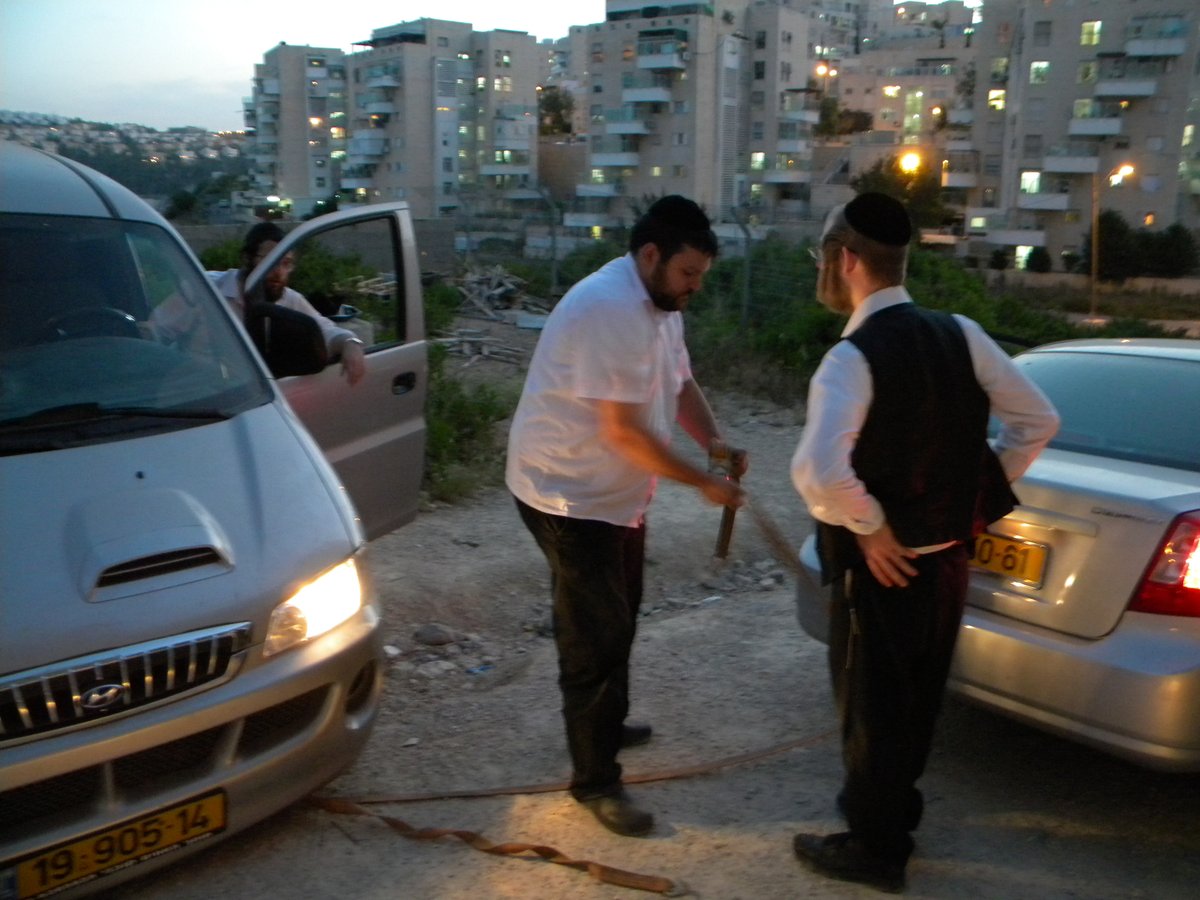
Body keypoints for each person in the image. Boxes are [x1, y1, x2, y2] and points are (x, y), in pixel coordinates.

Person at [789, 192, 1059, 892]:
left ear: (846, 261)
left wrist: (871, 525)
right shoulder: (961, 333)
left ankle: (876, 850)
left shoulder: (851, 358)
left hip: (882, 570)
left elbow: (817, 470)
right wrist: (977, 488)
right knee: (916, 701)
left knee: (872, 708)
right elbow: (1039, 420)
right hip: (947, 568)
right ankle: (893, 814)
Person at [506, 195, 747, 838]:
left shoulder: (661, 307)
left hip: (617, 499)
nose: (695, 287)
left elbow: (678, 384)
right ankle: (594, 780)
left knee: (622, 611)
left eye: (701, 275)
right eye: (688, 273)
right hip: (567, 495)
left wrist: (714, 442)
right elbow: (622, 432)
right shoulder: (608, 308)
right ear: (650, 255)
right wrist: (703, 483)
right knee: (594, 633)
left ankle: (604, 722)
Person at [152, 222, 366, 384]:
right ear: (247, 259)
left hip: (256, 396)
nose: (279, 273)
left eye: (287, 264)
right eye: (271, 261)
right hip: (197, 393)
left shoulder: (289, 299)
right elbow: (155, 331)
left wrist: (351, 344)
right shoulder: (205, 290)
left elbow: (325, 330)